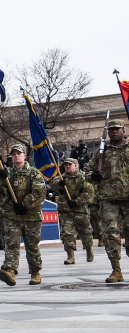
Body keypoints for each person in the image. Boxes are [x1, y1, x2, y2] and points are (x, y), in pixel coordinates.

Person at [0, 144, 46, 286]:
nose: (16, 155)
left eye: (19, 153)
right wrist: (0, 177)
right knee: (11, 244)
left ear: (24, 155)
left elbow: (39, 192)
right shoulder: (7, 174)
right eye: (13, 154)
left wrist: (24, 204)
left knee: (32, 245)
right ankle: (10, 270)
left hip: (31, 216)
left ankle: (35, 272)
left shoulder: (34, 173)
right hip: (12, 216)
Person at [88, 119, 129, 283]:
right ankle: (116, 270)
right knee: (110, 234)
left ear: (123, 131)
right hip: (108, 199)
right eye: (111, 129)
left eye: (117, 129)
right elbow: (87, 170)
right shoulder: (102, 150)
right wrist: (93, 176)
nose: (114, 132)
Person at [49, 158, 95, 264]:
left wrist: (77, 201)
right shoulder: (61, 178)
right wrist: (59, 184)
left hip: (80, 210)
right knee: (67, 233)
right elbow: (52, 185)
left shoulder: (83, 177)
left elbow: (89, 192)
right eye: (65, 165)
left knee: (86, 233)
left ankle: (89, 250)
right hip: (65, 211)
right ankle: (70, 255)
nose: (67, 167)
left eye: (69, 165)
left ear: (76, 165)